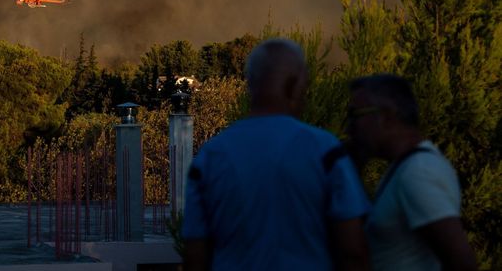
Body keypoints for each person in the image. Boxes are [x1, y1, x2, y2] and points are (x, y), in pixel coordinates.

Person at [182, 38, 370, 271]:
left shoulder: (209, 157)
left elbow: (194, 255)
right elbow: (352, 251)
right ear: (293, 85)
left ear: (250, 84)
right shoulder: (326, 152)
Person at [346, 74, 477, 271]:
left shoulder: (418, 172)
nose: (348, 128)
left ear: (387, 116)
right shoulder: (404, 168)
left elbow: (461, 262)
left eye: (355, 115)